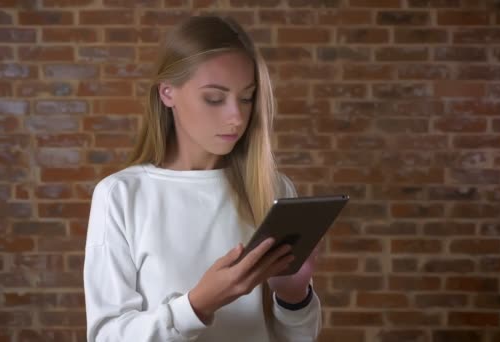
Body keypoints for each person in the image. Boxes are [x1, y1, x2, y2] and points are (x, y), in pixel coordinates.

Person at [83, 15, 321, 342]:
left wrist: (294, 298)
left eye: (247, 97)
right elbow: (107, 337)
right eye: (214, 98)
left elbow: (296, 338)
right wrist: (198, 305)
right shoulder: (121, 195)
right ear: (168, 93)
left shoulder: (274, 190)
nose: (236, 117)